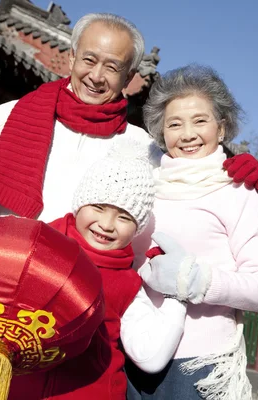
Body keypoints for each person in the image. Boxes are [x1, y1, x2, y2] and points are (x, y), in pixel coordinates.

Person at [0, 13, 258, 230]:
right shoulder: (19, 115)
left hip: (82, 299)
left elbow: (186, 187)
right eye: (89, 60)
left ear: (128, 78)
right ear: (72, 58)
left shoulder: (141, 146)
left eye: (112, 67)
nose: (96, 76)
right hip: (3, 280)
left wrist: (229, 172)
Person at [122, 65, 258, 400]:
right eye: (174, 124)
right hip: (132, 350)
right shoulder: (142, 182)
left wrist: (197, 281)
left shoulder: (240, 190)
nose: (187, 134)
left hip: (198, 365)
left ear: (221, 127)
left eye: (200, 121)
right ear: (161, 133)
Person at [8, 139, 155, 399]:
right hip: (18, 386)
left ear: (138, 227)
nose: (107, 225)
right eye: (98, 207)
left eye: (124, 217)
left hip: (93, 390)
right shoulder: (36, 247)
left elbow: (147, 351)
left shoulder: (132, 282)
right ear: (80, 204)